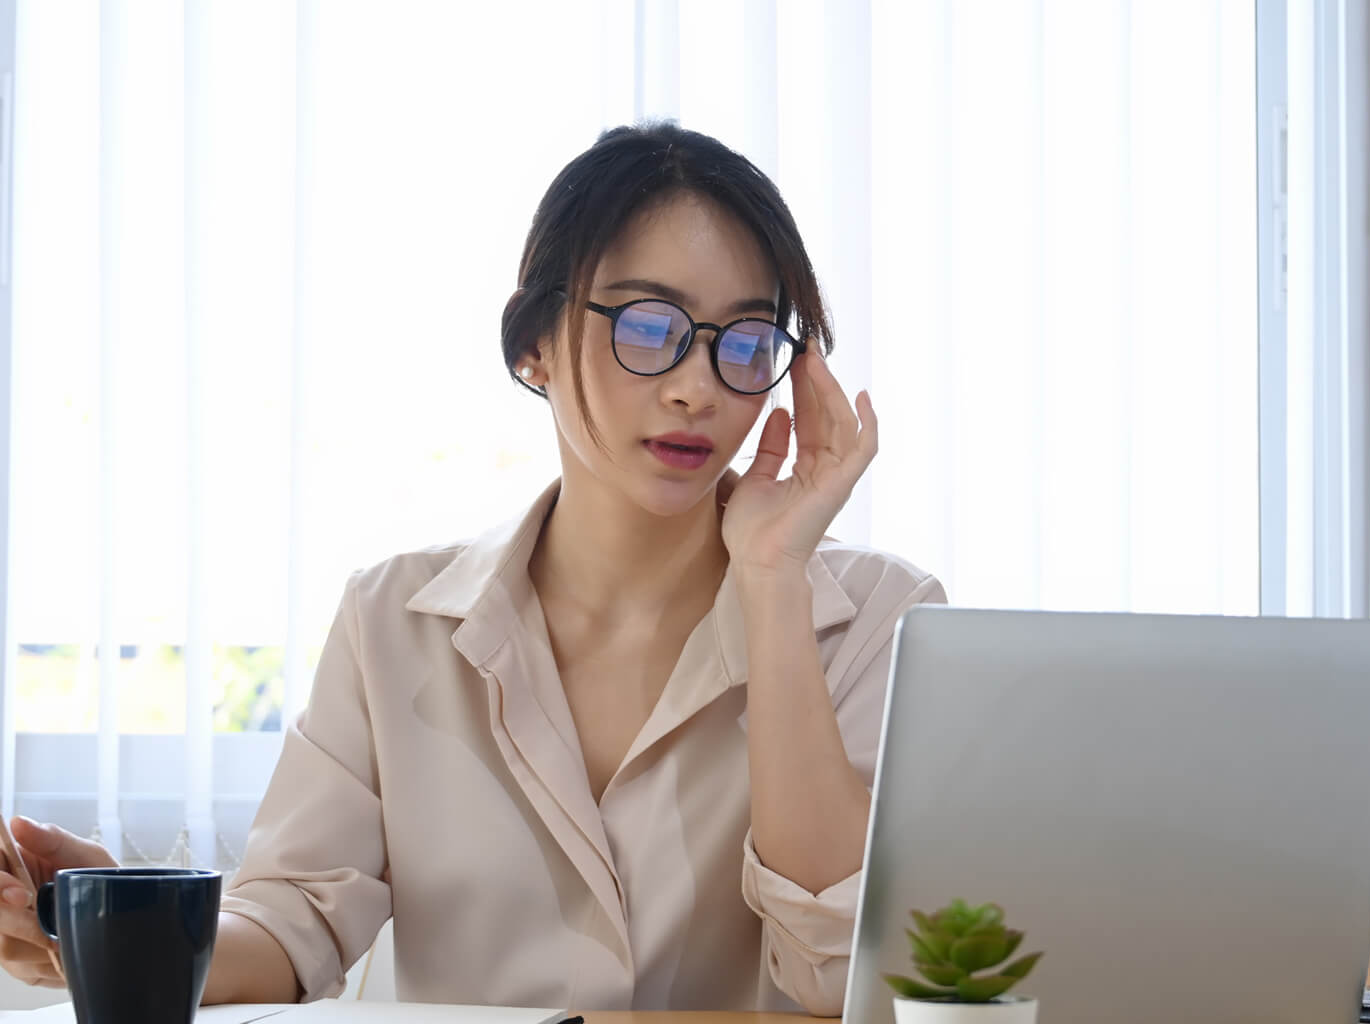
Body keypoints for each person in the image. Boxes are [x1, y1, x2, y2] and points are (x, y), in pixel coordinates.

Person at [0, 122, 944, 1014]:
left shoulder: (877, 620)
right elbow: (292, 923)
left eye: (745, 342)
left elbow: (841, 973)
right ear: (534, 343)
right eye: (650, 327)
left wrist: (774, 583)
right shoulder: (393, 619)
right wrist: (116, 925)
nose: (698, 386)